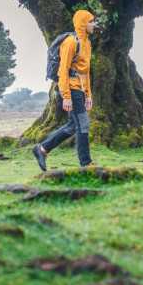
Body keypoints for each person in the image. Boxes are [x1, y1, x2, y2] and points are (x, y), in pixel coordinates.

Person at [34, 10, 98, 170]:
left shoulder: (87, 43)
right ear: (83, 23)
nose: (94, 24)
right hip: (72, 89)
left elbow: (86, 71)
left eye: (94, 21)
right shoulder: (70, 42)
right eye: (91, 21)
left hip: (81, 90)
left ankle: (42, 149)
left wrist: (88, 94)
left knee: (71, 126)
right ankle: (86, 163)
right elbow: (63, 71)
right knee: (83, 123)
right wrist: (66, 96)